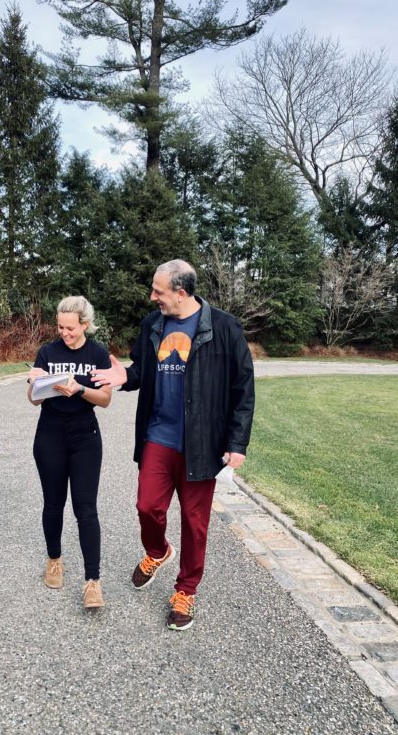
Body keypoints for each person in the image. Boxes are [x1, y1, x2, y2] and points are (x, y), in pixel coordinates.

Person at [91, 260, 255, 631]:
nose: (152, 297)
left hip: (202, 443)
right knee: (147, 506)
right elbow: (139, 371)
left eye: (158, 291)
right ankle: (158, 551)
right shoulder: (153, 324)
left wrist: (237, 442)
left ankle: (186, 591)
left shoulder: (224, 328)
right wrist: (123, 377)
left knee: (195, 523)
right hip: (159, 435)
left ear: (181, 293)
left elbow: (243, 388)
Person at [28, 296, 112, 609]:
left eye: (71, 328)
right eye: (61, 327)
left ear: (85, 325)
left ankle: (93, 581)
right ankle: (54, 560)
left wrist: (79, 389)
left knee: (86, 508)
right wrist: (36, 382)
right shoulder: (47, 352)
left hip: (85, 435)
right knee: (53, 503)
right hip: (49, 432)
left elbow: (104, 399)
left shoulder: (97, 353)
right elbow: (34, 400)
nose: (65, 333)